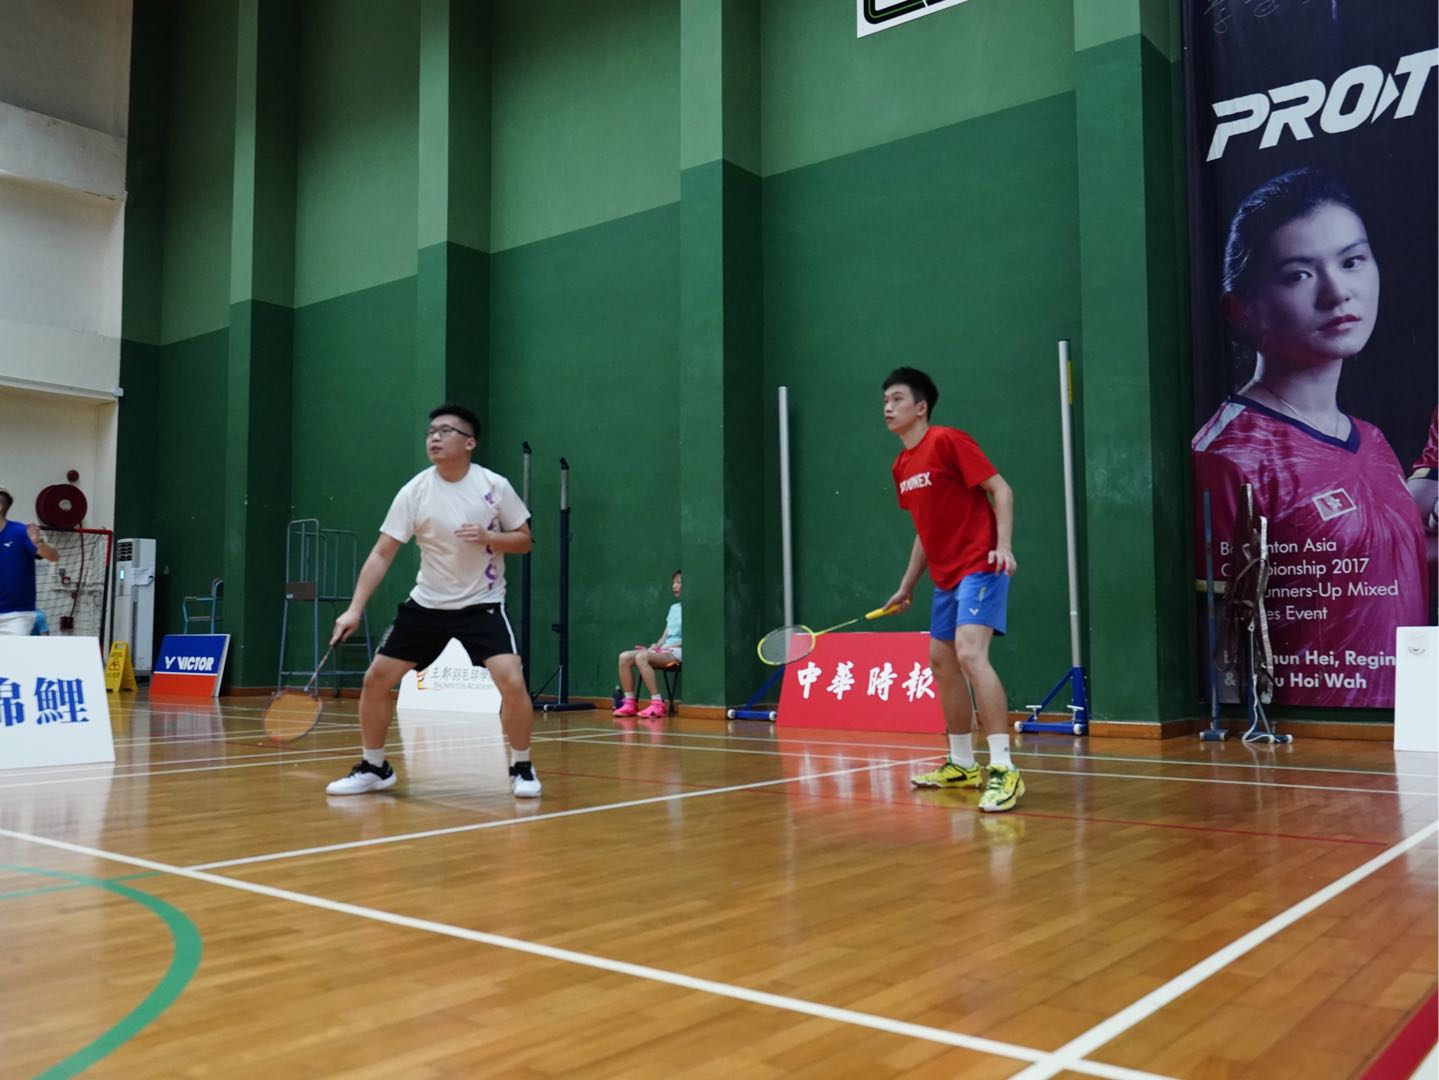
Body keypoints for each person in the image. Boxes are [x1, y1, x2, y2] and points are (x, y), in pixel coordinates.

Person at [1192, 168, 1428, 708]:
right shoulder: (1227, 455)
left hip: (1409, 728)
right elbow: (1218, 648)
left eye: (1352, 261)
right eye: (1298, 274)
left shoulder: (1373, 440)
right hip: (1314, 739)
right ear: (1240, 310)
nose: (1337, 292)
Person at [326, 404, 539, 797]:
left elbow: (524, 540)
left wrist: (489, 537)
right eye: (430, 432)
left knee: (512, 679)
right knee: (376, 679)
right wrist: (354, 609)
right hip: (426, 605)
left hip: (482, 604)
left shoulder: (494, 486)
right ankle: (374, 766)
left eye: (445, 431)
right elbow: (382, 552)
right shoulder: (415, 491)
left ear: (470, 443)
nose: (434, 438)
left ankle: (521, 767)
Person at [880, 368, 1022, 813]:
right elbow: (926, 529)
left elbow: (1000, 489)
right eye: (885, 401)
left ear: (921, 407)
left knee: (970, 654)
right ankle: (962, 763)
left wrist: (1003, 546)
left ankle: (1004, 769)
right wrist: (907, 586)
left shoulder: (947, 441)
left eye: (897, 399)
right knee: (941, 662)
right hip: (945, 577)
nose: (888, 408)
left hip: (981, 563)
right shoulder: (901, 466)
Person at [612, 570, 681, 719]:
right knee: (624, 657)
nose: (674, 586)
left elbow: (692, 640)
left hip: (678, 652)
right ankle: (630, 703)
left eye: (679, 582)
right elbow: (665, 636)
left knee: (642, 657)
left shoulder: (695, 610)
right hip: (664, 650)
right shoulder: (674, 608)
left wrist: (667, 647)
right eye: (673, 583)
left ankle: (657, 704)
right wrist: (656, 646)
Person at [0, 488, 59, 635]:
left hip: (16, 615)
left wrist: (38, 543)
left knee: (11, 650)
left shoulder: (20, 531)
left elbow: (54, 556)